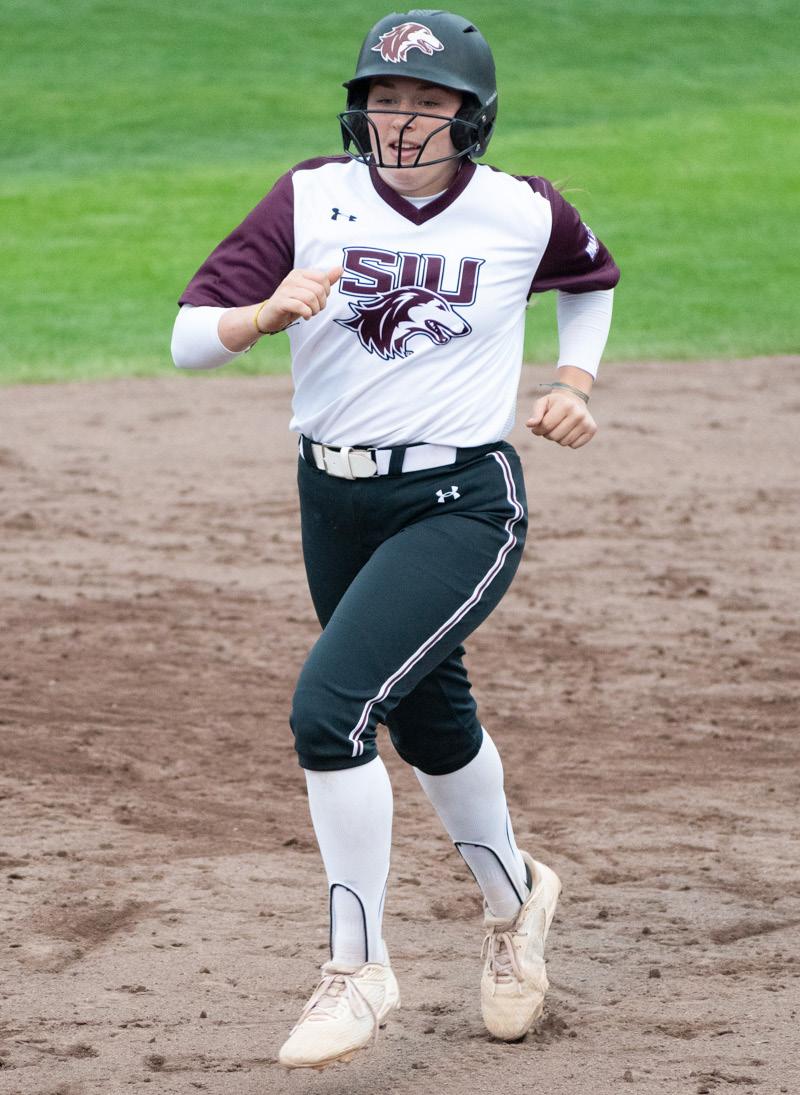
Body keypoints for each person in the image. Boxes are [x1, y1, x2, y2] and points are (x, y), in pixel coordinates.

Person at [171, 8, 619, 1071]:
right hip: (331, 500)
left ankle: (357, 966)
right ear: (357, 109)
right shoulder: (309, 196)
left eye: (427, 100)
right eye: (384, 97)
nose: (402, 119)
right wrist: (260, 315)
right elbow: (189, 340)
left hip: (460, 501)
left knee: (330, 711)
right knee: (427, 713)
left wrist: (573, 383)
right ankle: (516, 901)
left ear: (472, 116)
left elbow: (590, 279)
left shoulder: (520, 212)